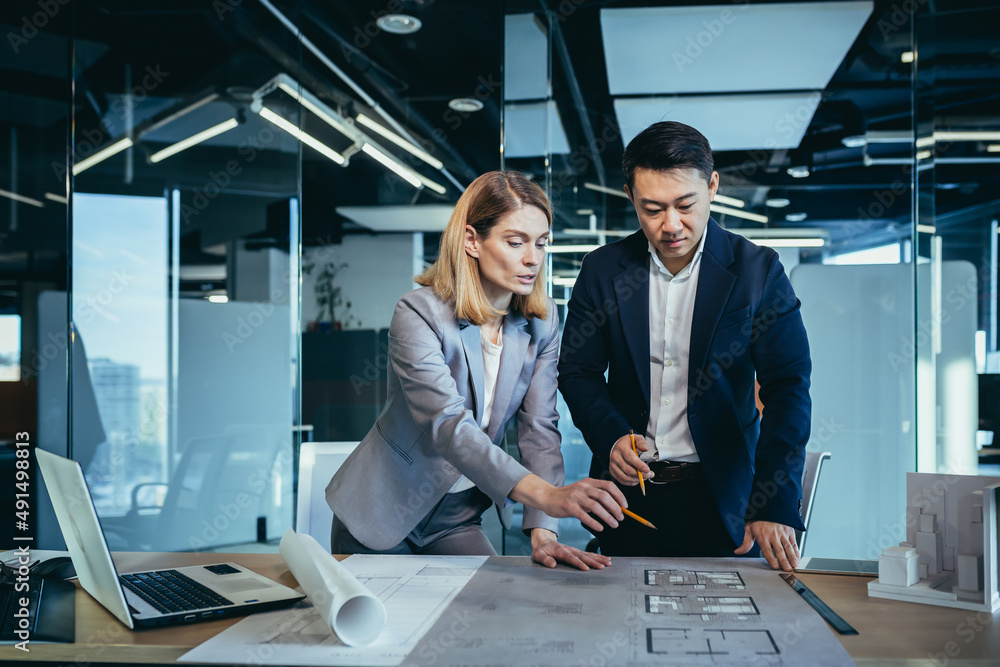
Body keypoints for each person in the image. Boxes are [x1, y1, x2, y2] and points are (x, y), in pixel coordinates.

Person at [326, 170, 627, 570]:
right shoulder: (418, 312)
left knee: (491, 614)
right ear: (471, 240)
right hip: (381, 511)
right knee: (393, 629)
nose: (532, 258)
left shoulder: (543, 321)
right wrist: (547, 494)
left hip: (456, 517)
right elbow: (448, 424)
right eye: (515, 241)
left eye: (541, 244)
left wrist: (545, 529)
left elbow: (539, 428)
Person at [558, 121, 812, 571]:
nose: (670, 225)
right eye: (652, 208)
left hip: (727, 501)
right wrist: (612, 434)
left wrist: (773, 502)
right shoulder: (602, 271)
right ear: (630, 197)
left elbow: (788, 387)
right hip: (628, 498)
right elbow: (578, 372)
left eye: (685, 205)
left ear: (712, 186)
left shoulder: (758, 271)